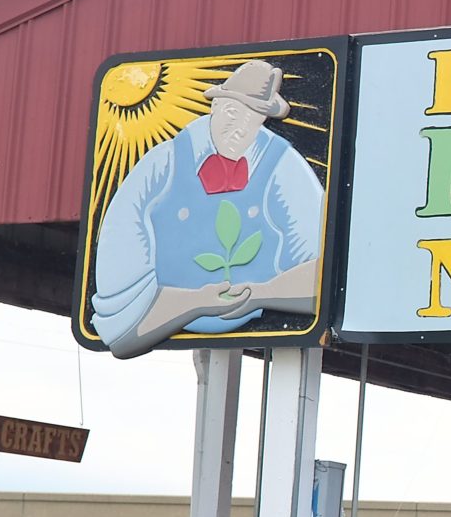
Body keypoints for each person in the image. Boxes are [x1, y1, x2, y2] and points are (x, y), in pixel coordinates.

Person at [90, 60, 324, 357]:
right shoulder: (162, 164)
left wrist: (259, 294)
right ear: (214, 106)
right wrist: (194, 303)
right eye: (232, 113)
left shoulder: (283, 165)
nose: (239, 129)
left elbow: (324, 277)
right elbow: (118, 328)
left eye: (252, 120)